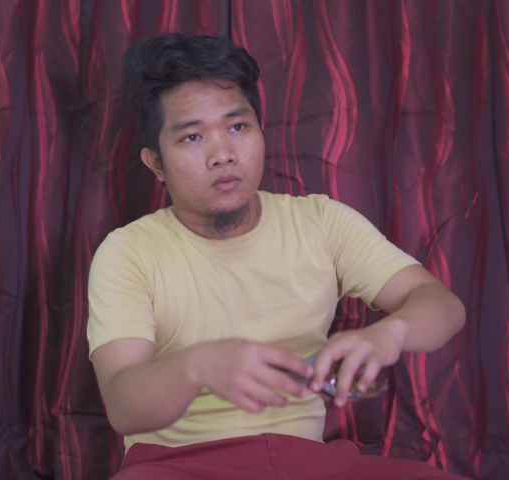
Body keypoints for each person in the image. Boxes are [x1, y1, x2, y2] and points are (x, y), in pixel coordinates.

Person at [87, 33, 467, 479]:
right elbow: (124, 405)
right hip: (179, 466)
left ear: (260, 131)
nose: (223, 155)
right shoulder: (128, 251)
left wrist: (391, 334)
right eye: (191, 137)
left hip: (306, 461)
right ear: (155, 163)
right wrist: (197, 367)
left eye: (237, 127)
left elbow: (442, 305)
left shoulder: (321, 221)